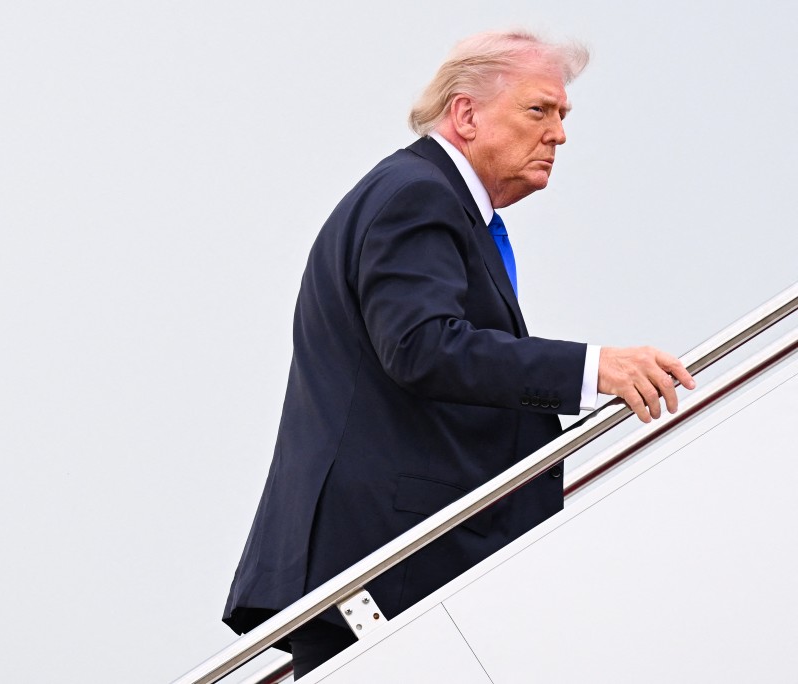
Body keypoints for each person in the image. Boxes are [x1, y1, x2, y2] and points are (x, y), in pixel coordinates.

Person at [222, 30, 696, 678]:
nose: (558, 134)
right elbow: (419, 346)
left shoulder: (430, 200)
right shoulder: (417, 194)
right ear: (466, 113)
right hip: (384, 569)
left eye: (562, 116)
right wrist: (591, 369)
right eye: (539, 110)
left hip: (391, 567)